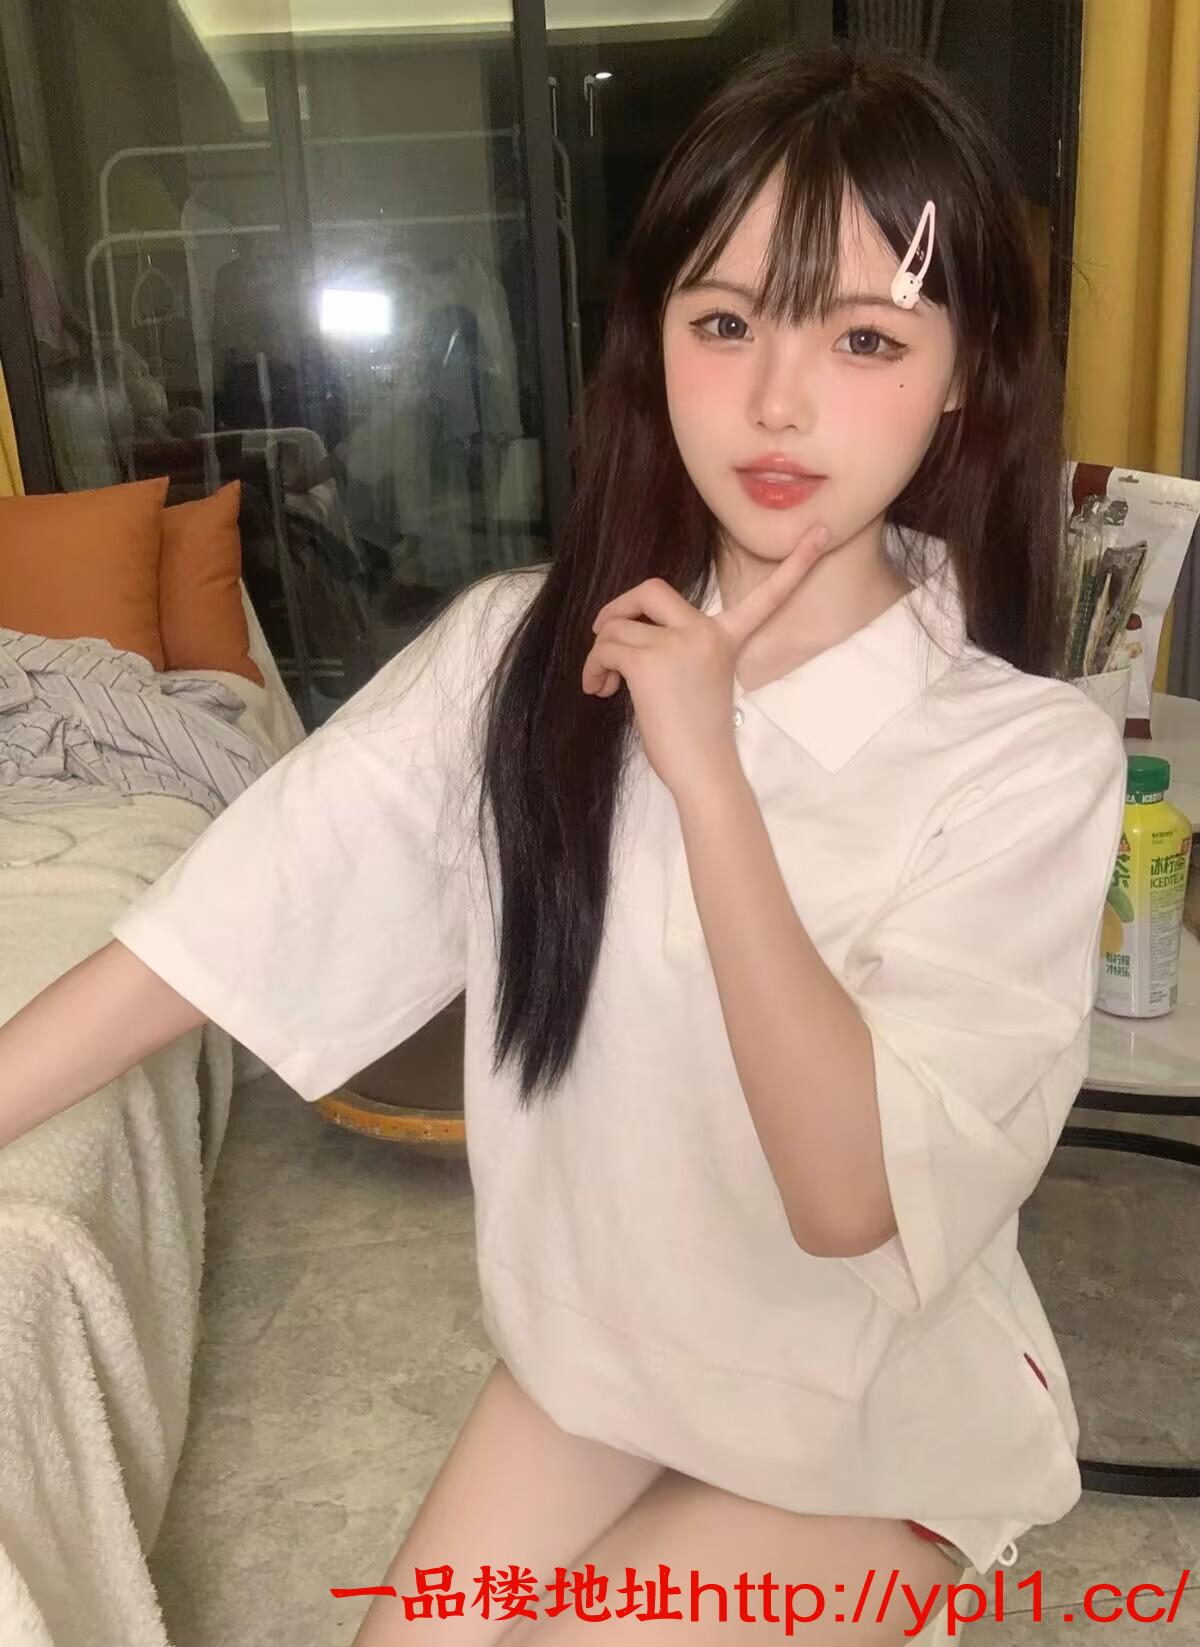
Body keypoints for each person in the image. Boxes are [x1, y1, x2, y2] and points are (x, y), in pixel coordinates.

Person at [0, 41, 1126, 1646]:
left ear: (965, 373)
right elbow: (214, 927)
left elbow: (849, 1197)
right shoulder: (519, 652)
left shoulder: (1026, 760)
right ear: (654, 340)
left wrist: (709, 776)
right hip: (605, 1369)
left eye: (865, 336)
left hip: (872, 1424)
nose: (778, 400)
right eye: (724, 322)